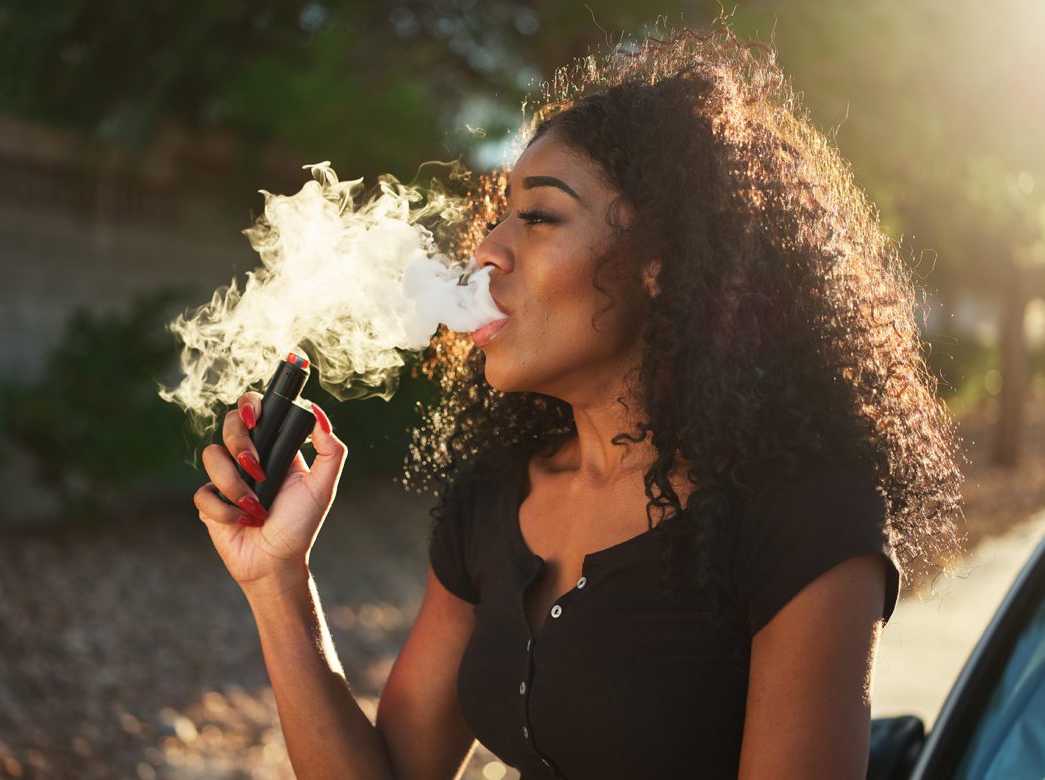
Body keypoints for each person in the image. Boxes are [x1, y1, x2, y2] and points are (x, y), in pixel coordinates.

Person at [193, 24, 965, 779]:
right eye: (498, 216)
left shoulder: (806, 518)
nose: (487, 251)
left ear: (663, 260)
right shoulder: (493, 497)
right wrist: (277, 581)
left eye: (538, 216)